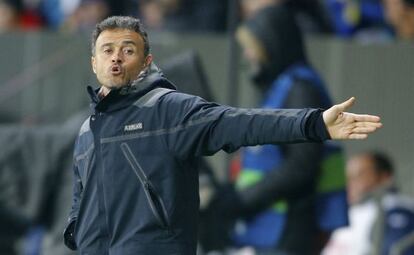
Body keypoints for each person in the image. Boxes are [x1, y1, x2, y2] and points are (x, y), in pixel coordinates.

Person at [62, 16, 381, 255]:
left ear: (146, 62)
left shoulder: (169, 110)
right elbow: (81, 196)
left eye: (127, 50)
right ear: (94, 62)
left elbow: (242, 123)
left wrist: (315, 123)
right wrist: (76, 231)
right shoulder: (88, 130)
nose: (116, 57)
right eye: (107, 50)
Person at [206, 4, 347, 255]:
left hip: (291, 227)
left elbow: (302, 165)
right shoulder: (282, 87)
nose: (248, 55)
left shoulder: (301, 89)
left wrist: (243, 200)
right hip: (272, 226)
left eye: (253, 46)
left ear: (272, 41)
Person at [323, 151, 414, 255]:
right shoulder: (344, 212)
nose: (349, 182)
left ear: (384, 177)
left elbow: (397, 247)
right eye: (347, 177)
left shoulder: (396, 207)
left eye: (358, 175)